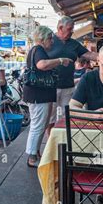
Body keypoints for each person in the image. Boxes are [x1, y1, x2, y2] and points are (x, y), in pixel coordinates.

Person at [23, 26, 72, 167]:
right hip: (38, 95)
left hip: (40, 95)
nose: (52, 41)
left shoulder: (38, 50)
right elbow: (41, 65)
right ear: (43, 39)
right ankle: (32, 157)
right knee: (38, 125)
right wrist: (61, 60)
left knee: (41, 124)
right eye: (50, 38)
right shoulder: (38, 50)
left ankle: (36, 152)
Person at [45, 16, 98, 137]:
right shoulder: (49, 41)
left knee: (67, 116)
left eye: (72, 29)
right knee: (51, 119)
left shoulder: (74, 44)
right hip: (50, 86)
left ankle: (65, 141)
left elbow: (88, 54)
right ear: (60, 27)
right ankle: (50, 142)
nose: (72, 32)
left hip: (68, 86)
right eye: (69, 29)